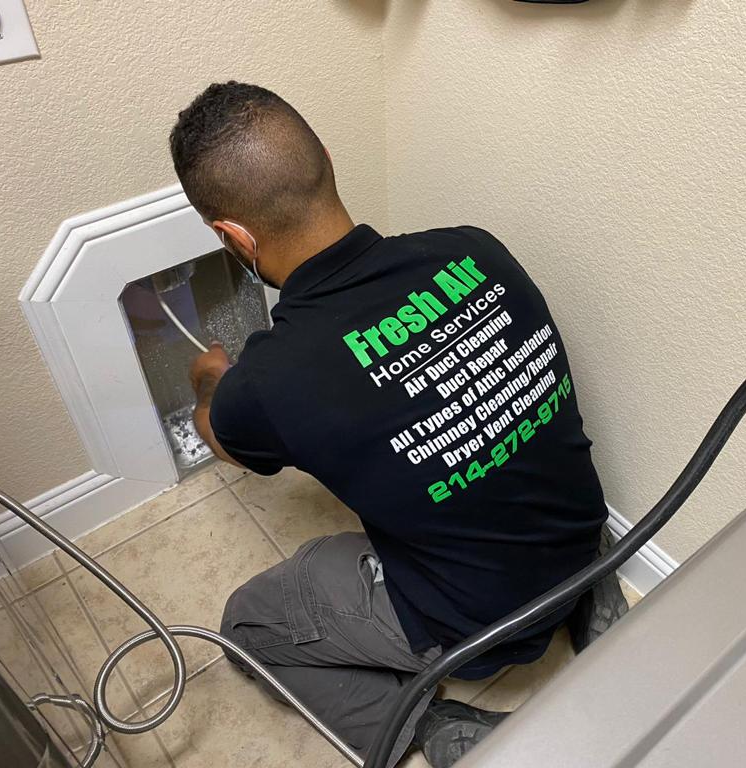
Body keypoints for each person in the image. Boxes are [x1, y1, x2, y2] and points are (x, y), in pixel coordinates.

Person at [170, 81, 626, 768]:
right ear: (326, 156)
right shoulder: (476, 249)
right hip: (579, 539)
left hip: (486, 628)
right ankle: (586, 594)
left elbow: (219, 435)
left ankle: (426, 727)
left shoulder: (269, 380)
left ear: (231, 235)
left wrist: (209, 376)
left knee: (249, 623)